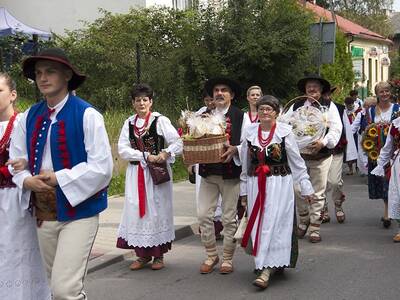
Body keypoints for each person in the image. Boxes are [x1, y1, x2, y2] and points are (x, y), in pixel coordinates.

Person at [9, 48, 113, 300]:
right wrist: (26, 180)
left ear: (67, 75)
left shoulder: (87, 115)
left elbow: (102, 167)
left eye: (50, 72)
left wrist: (59, 177)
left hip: (79, 212)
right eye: (39, 73)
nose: (43, 78)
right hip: (44, 211)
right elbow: (16, 159)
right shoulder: (29, 116)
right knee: (53, 287)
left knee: (65, 289)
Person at [239, 95, 314, 289]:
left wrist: (306, 187)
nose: (265, 112)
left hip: (280, 185)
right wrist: (244, 192)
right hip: (257, 185)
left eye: (269, 109)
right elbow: (245, 166)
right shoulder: (249, 132)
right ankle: (267, 263)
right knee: (260, 223)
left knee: (275, 222)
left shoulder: (284, 132)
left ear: (276, 113)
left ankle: (265, 270)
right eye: (262, 109)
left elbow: (297, 163)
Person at [116, 83, 182, 270]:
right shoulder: (129, 122)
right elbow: (122, 149)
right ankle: (142, 255)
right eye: (138, 100)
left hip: (156, 174)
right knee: (136, 210)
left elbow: (178, 141)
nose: (142, 103)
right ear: (133, 103)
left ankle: (158, 255)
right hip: (136, 172)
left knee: (156, 209)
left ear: (151, 102)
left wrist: (166, 153)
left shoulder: (160, 120)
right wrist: (143, 155)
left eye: (145, 99)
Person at [0, 73, 50, 299]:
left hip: (17, 199)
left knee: (17, 253)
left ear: (13, 95)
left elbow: (36, 155)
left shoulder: (23, 123)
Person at [197, 77, 250, 274]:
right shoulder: (203, 114)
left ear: (232, 95)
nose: (219, 93)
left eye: (224, 90)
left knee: (229, 218)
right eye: (216, 90)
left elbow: (248, 142)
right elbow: (191, 137)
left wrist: (235, 149)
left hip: (231, 174)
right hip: (208, 173)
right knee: (203, 215)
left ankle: (227, 257)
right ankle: (211, 255)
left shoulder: (240, 116)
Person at [284, 74, 342, 243]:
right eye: (309, 86)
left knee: (318, 190)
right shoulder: (296, 105)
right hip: (298, 156)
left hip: (320, 156)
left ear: (321, 89)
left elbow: (336, 129)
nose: (312, 89)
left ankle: (315, 226)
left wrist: (323, 142)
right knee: (297, 189)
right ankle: (303, 219)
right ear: (305, 89)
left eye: (315, 86)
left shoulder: (328, 106)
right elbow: (283, 123)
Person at [351, 82, 399, 228]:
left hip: (393, 152)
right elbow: (365, 130)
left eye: (386, 91)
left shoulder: (397, 109)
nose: (384, 94)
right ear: (377, 94)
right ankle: (387, 208)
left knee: (391, 183)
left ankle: (388, 213)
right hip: (376, 151)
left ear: (390, 93)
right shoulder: (370, 111)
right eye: (381, 92)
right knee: (382, 183)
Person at [188, 90, 223, 239]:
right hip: (202, 159)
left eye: (212, 100)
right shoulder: (200, 113)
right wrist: (190, 161)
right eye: (207, 100)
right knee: (202, 197)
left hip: (219, 159)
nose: (210, 103)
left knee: (220, 199)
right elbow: (191, 136)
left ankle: (218, 227)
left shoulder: (222, 114)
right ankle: (207, 229)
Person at [321, 89, 357, 224]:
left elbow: (347, 129)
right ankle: (323, 209)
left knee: (335, 181)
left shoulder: (339, 108)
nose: (327, 96)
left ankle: (338, 204)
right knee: (321, 183)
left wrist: (351, 153)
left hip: (336, 150)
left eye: (328, 94)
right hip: (318, 153)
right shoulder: (310, 109)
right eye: (324, 94)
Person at [371, 114, 400, 242]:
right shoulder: (396, 124)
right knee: (398, 197)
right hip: (399, 165)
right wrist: (380, 163)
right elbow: (388, 146)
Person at [344, 96, 362, 175]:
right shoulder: (344, 111)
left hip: (356, 133)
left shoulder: (358, 110)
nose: (349, 106)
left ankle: (358, 167)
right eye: (348, 105)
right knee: (348, 150)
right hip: (347, 133)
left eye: (350, 105)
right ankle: (350, 169)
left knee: (358, 149)